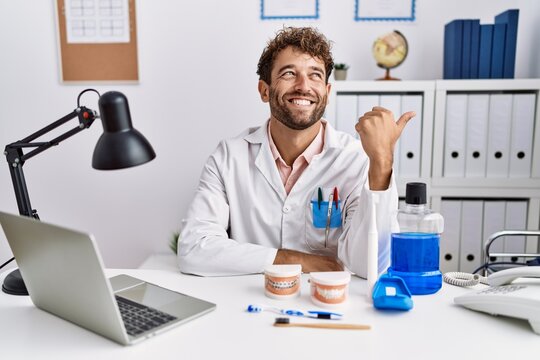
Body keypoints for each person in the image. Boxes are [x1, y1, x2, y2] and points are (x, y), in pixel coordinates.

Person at [177, 27, 415, 277]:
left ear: (327, 92)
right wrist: (294, 260)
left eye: (315, 75)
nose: (304, 86)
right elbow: (194, 248)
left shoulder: (355, 159)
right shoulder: (229, 156)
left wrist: (381, 162)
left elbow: (371, 265)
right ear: (264, 90)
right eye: (289, 73)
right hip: (251, 303)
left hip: (330, 304)